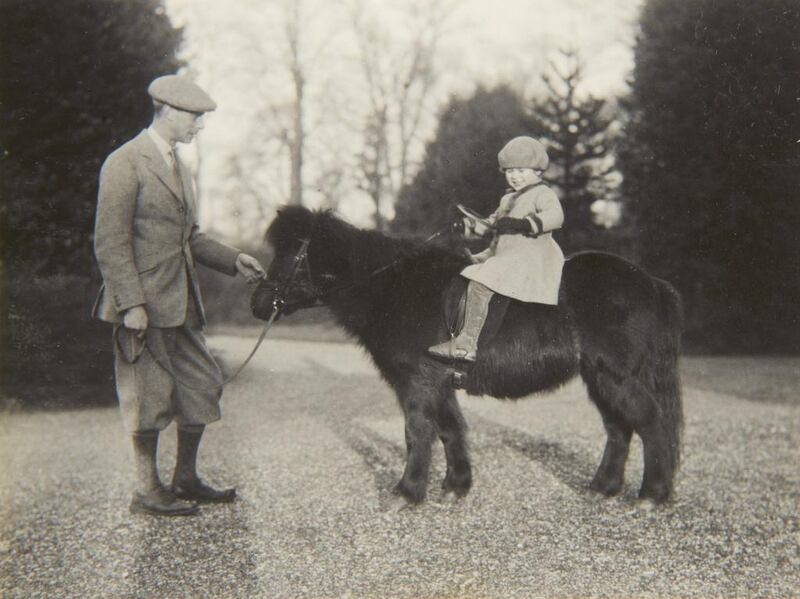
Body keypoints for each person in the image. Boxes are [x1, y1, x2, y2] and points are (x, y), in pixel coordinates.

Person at [92, 74, 266, 516]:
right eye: (195, 117)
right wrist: (131, 303)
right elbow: (110, 241)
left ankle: (184, 479)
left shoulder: (178, 166)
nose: (200, 127)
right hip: (143, 306)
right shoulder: (125, 162)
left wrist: (233, 259)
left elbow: (191, 237)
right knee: (147, 397)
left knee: (203, 385)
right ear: (168, 110)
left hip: (181, 304)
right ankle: (147, 491)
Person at [428, 136, 565, 362]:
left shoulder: (543, 194)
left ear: (538, 171)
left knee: (480, 283)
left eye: (521, 170)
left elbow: (556, 216)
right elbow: (491, 224)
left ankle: (466, 344)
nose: (515, 176)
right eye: (510, 171)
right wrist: (469, 226)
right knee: (462, 267)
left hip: (530, 257)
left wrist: (524, 224)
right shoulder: (508, 199)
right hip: (504, 254)